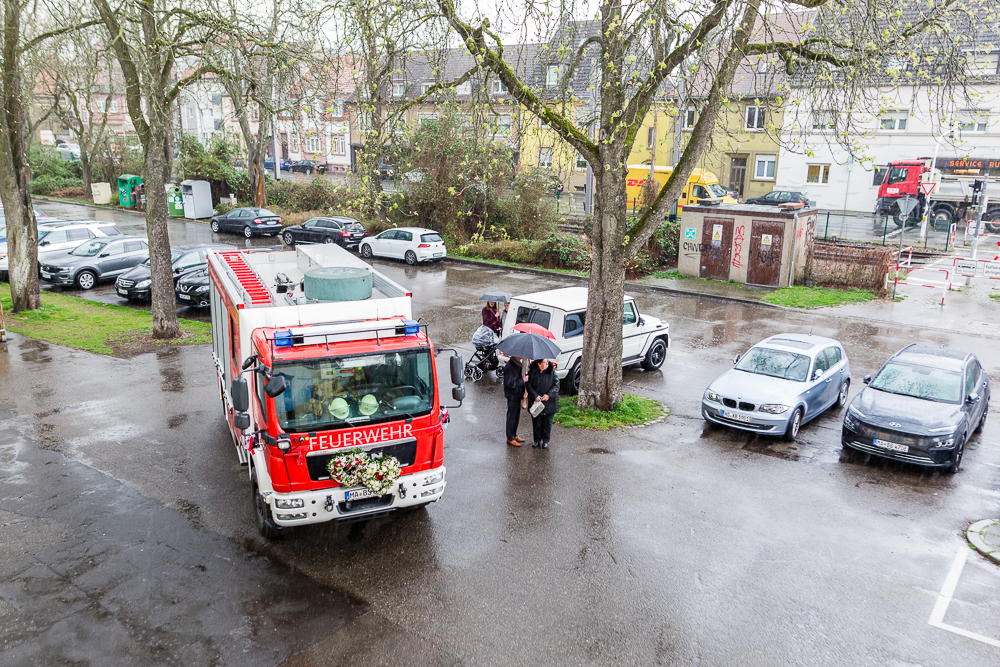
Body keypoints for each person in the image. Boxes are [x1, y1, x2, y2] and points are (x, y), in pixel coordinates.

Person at [527, 359, 560, 449]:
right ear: (538, 364)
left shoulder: (551, 372)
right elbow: (528, 385)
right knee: (536, 422)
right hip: (536, 402)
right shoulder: (532, 372)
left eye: (547, 362)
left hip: (549, 402)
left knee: (547, 423)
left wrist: (549, 395)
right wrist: (535, 396)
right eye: (544, 362)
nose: (547, 364)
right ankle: (536, 440)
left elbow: (556, 385)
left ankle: (545, 440)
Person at [503, 356, 526, 446]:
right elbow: (510, 383)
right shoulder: (510, 366)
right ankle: (510, 437)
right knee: (512, 417)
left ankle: (514, 434)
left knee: (516, 416)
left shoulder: (516, 364)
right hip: (512, 395)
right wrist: (522, 380)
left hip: (517, 395)